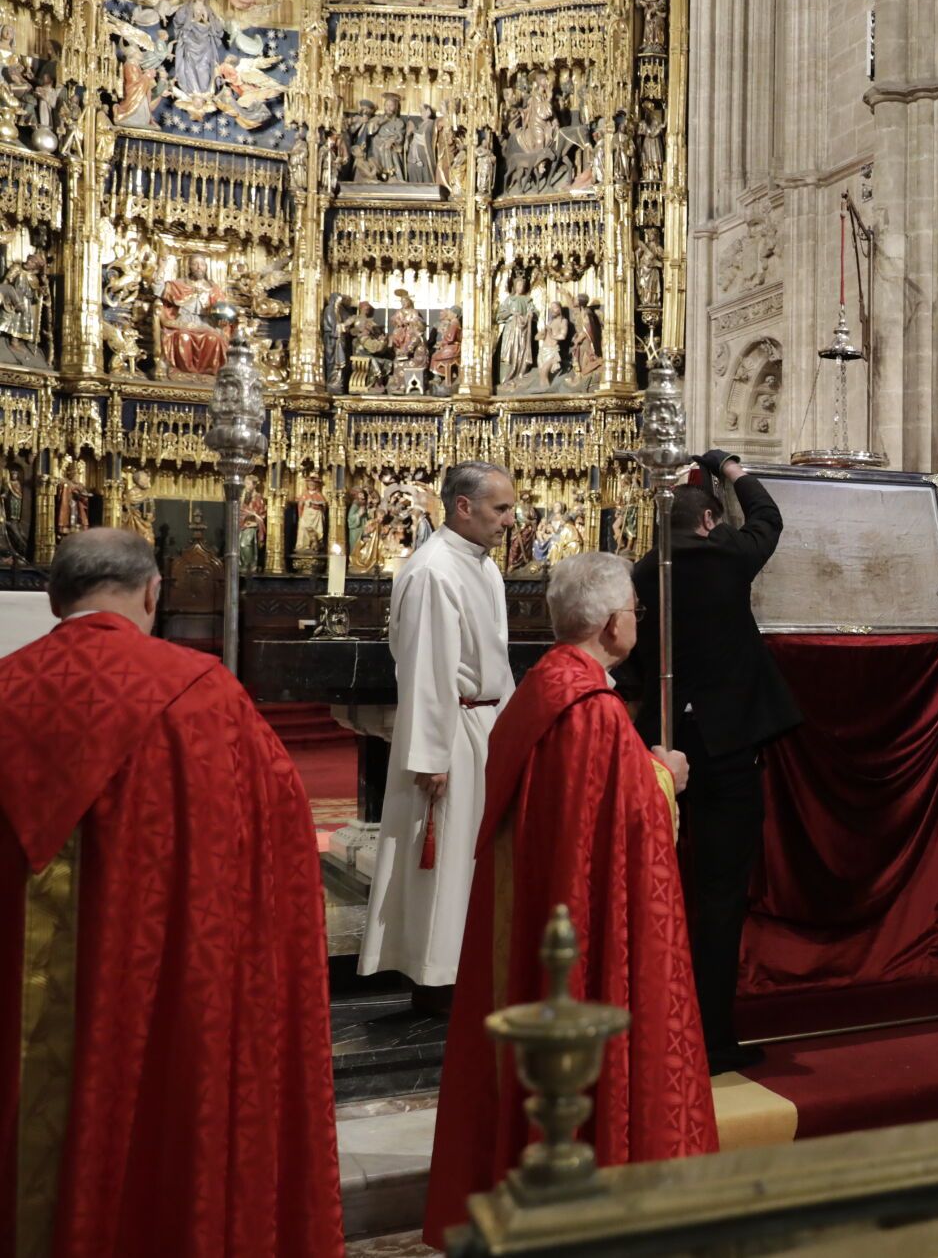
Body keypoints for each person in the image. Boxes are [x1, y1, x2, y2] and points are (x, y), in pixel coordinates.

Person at [0, 530, 341, 1257]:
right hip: (154, 1007)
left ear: (54, 600)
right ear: (154, 593)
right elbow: (274, 854)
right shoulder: (203, 698)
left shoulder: (6, 688)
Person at [425, 555, 717, 1243]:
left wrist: (642, 771)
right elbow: (626, 823)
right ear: (614, 625)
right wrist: (665, 778)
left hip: (535, 913)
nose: (637, 621)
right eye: (636, 612)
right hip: (582, 928)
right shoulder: (594, 711)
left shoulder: (539, 687)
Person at [618, 450, 800, 1072]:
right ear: (706, 522)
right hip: (726, 749)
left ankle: (645, 1019)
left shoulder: (643, 573)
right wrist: (730, 468)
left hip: (660, 745)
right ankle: (713, 1037)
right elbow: (769, 517)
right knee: (720, 893)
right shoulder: (728, 556)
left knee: (653, 885)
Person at [360, 462, 517, 993]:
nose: (510, 521)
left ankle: (469, 967)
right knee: (444, 856)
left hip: (484, 724)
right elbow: (426, 669)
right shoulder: (434, 570)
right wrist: (431, 758)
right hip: (452, 735)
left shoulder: (483, 566)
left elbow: (497, 659)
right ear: (464, 507)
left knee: (474, 856)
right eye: (501, 509)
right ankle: (437, 978)